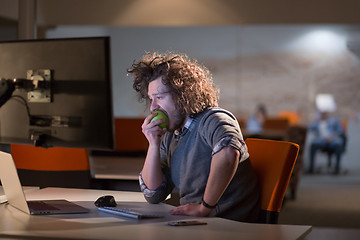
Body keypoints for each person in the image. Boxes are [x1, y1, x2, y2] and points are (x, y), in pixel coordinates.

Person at [127, 52, 260, 222]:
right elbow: (153, 194)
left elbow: (228, 153)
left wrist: (205, 208)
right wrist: (153, 144)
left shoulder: (214, 119)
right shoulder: (170, 136)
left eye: (159, 97)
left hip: (227, 225)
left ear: (183, 95)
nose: (153, 107)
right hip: (197, 224)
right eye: (151, 99)